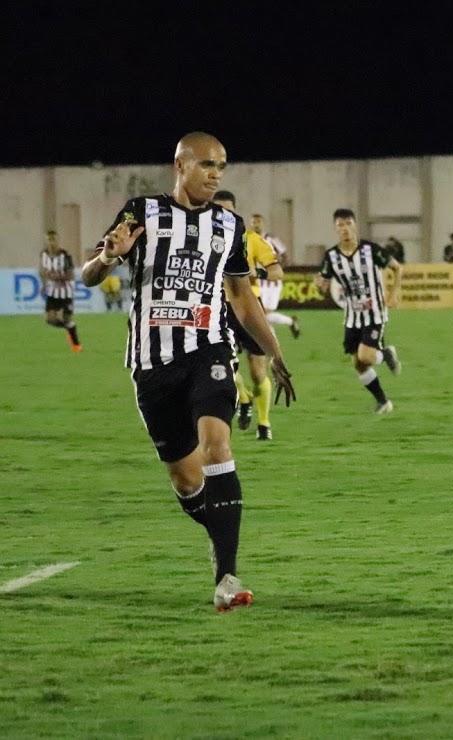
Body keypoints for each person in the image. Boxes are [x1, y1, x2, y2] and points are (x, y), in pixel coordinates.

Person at [80, 131, 295, 612]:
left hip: (209, 350)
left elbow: (241, 296)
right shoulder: (141, 213)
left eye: (222, 166)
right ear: (180, 166)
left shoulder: (229, 226)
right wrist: (108, 256)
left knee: (217, 442)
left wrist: (275, 352)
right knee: (185, 479)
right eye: (207, 165)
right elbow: (89, 276)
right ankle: (218, 532)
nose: (217, 174)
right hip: (151, 364)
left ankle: (227, 578)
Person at [315, 208, 403, 414]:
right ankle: (383, 401)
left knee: (366, 357)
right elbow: (324, 284)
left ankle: (385, 354)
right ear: (335, 229)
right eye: (340, 225)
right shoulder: (331, 257)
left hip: (374, 313)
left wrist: (394, 293)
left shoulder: (370, 249)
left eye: (348, 224)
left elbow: (397, 267)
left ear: (355, 226)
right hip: (352, 317)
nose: (345, 229)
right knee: (358, 364)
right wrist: (320, 285)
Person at [215, 193, 284, 441]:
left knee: (257, 372)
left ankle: (264, 423)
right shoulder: (201, 239)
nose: (222, 216)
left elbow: (277, 272)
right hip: (218, 311)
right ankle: (243, 399)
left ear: (235, 212)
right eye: (217, 210)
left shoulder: (251, 240)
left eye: (227, 211)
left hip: (248, 308)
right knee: (224, 367)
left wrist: (257, 271)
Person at [249, 213, 301, 339]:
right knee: (261, 315)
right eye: (254, 222)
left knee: (263, 315)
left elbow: (286, 257)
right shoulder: (247, 239)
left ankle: (272, 345)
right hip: (257, 282)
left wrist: (276, 269)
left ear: (263, 223)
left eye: (258, 222)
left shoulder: (271, 239)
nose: (256, 225)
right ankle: (290, 323)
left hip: (272, 283)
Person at [39, 230, 82, 351]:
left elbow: (71, 275)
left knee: (67, 318)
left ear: (58, 241)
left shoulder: (65, 255)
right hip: (52, 292)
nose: (51, 243)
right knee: (50, 319)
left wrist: (55, 277)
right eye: (49, 240)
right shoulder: (44, 255)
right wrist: (44, 284)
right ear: (46, 241)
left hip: (66, 292)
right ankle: (70, 328)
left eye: (54, 240)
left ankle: (76, 345)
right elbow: (42, 271)